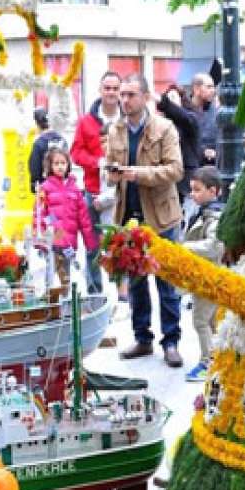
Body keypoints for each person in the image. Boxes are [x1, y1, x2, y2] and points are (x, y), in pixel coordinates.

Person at [105, 74, 185, 367]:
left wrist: (138, 173)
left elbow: (176, 170)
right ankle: (142, 339)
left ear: (146, 96)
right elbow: (110, 167)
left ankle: (172, 342)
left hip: (162, 217)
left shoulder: (165, 128)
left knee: (167, 281)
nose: (124, 100)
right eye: (121, 95)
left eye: (130, 95)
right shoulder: (115, 129)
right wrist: (112, 173)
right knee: (136, 283)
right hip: (129, 216)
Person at [71, 71, 123, 294]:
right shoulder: (86, 121)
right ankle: (94, 291)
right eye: (107, 88)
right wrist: (98, 163)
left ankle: (124, 292)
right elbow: (75, 153)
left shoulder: (127, 118)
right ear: (100, 91)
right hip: (92, 192)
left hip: (122, 191)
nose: (111, 92)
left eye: (115, 88)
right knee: (92, 246)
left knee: (122, 244)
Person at [182, 167, 224, 382]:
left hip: (209, 276)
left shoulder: (214, 215)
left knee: (201, 321)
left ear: (213, 191)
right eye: (192, 189)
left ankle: (208, 362)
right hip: (208, 275)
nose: (193, 194)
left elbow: (214, 247)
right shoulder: (203, 211)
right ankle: (217, 360)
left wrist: (185, 247)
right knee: (211, 322)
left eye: (197, 190)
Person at [37, 147, 97, 289]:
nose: (60, 166)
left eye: (63, 163)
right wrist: (42, 237)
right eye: (56, 163)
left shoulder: (75, 189)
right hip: (52, 241)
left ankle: (65, 301)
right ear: (50, 166)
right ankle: (50, 302)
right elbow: (40, 214)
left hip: (69, 243)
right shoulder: (45, 188)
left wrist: (90, 242)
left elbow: (84, 219)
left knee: (65, 278)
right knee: (50, 276)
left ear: (68, 165)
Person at [156, 84, 200, 208]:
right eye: (169, 97)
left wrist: (165, 103)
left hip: (185, 179)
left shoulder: (191, 119)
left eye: (174, 97)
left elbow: (184, 117)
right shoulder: (160, 123)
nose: (171, 101)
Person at [27, 107, 66, 194]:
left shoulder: (39, 143)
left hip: (45, 188)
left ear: (37, 124)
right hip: (63, 186)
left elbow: (35, 169)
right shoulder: (62, 140)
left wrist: (33, 184)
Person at [188, 73, 218, 165]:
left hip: (212, 169)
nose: (213, 90)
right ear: (196, 89)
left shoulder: (216, 112)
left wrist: (216, 153)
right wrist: (203, 152)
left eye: (213, 87)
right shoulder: (184, 112)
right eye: (209, 87)